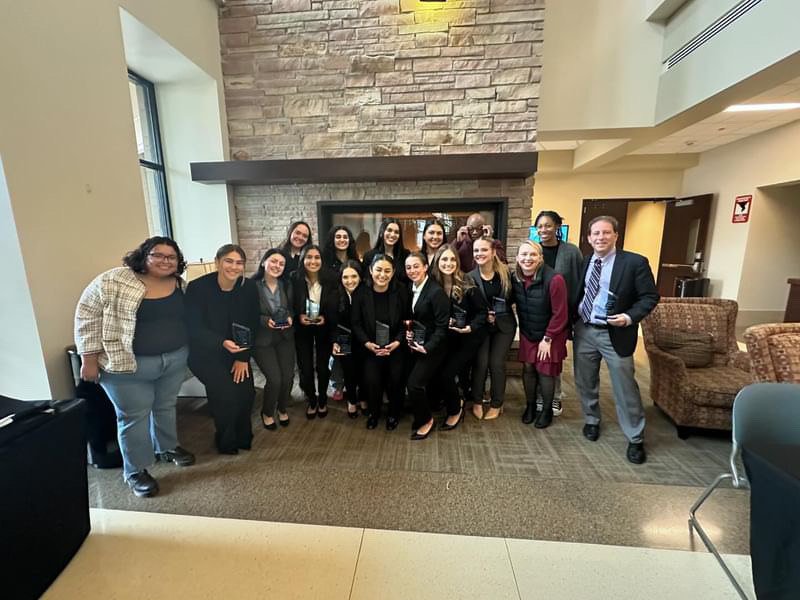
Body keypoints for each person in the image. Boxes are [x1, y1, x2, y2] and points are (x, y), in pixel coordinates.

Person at [75, 236, 195, 498]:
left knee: (165, 405)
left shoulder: (178, 284)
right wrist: (89, 358)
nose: (165, 261)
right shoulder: (114, 280)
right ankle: (136, 471)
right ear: (144, 256)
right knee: (133, 417)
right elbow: (87, 316)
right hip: (126, 366)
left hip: (173, 359)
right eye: (158, 255)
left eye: (171, 257)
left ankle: (168, 447)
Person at [572, 215, 659, 464]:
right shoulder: (586, 260)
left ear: (616, 235)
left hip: (616, 332)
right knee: (584, 380)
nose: (600, 237)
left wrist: (630, 317)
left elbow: (649, 297)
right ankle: (591, 419)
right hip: (585, 330)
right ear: (589, 238)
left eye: (606, 233)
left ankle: (635, 437)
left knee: (625, 386)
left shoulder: (634, 263)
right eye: (595, 234)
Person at [185, 244, 260, 455]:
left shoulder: (248, 287)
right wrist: (221, 343)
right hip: (205, 354)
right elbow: (193, 327)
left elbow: (252, 324)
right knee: (225, 395)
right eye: (229, 261)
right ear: (218, 262)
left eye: (239, 263)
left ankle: (244, 437)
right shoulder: (198, 288)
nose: (234, 267)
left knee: (246, 394)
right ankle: (226, 441)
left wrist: (243, 357)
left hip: (238, 353)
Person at [430, 244, 488, 431]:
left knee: (447, 374)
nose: (448, 263)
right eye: (444, 259)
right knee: (438, 372)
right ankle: (452, 399)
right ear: (437, 262)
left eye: (452, 259)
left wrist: (470, 328)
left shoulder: (467, 282)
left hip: (466, 339)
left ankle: (456, 410)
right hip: (444, 339)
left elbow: (482, 312)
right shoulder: (432, 283)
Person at [512, 240, 569, 429]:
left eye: (532, 255)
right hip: (529, 331)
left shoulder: (555, 279)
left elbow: (561, 314)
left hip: (551, 333)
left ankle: (546, 410)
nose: (527, 258)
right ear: (517, 258)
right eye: (523, 255)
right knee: (528, 368)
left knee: (545, 372)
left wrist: (548, 338)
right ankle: (530, 406)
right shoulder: (516, 278)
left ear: (540, 258)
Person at [534, 210, 584, 417]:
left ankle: (554, 397)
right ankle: (539, 396)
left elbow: (580, 282)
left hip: (560, 314)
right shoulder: (534, 251)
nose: (543, 230)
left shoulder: (571, 252)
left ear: (557, 227)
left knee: (553, 359)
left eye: (548, 225)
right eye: (540, 226)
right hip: (537, 315)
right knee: (537, 359)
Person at [351, 254, 409, 430]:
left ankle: (393, 414)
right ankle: (374, 414)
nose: (382, 274)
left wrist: (398, 342)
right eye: (378, 270)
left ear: (392, 273)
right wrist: (367, 343)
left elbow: (406, 320)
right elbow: (356, 322)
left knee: (396, 379)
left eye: (387, 271)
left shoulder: (400, 291)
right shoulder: (361, 292)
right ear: (370, 270)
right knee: (372, 380)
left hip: (395, 347)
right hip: (370, 347)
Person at [469, 236, 517, 421]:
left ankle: (497, 403)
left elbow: (513, 298)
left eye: (483, 250)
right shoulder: (470, 277)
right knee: (480, 363)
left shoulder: (506, 273)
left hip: (504, 325)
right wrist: (483, 315)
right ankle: (478, 401)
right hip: (482, 327)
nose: (479, 254)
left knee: (496, 363)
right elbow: (469, 305)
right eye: (476, 251)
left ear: (493, 252)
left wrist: (499, 312)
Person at [405, 251, 450, 440]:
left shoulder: (436, 292)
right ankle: (422, 413)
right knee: (418, 383)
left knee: (414, 384)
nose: (412, 270)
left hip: (435, 347)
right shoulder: (411, 287)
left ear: (425, 267)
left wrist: (428, 347)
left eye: (416, 266)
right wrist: (410, 332)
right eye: (408, 267)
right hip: (418, 343)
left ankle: (426, 421)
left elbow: (442, 326)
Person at [291, 244, 338, 419]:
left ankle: (323, 399)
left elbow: (335, 305)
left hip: (323, 327)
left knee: (323, 367)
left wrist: (326, 317)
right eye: (308, 257)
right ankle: (312, 400)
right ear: (303, 260)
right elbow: (289, 305)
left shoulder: (332, 278)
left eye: (317, 257)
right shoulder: (294, 278)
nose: (313, 261)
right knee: (306, 367)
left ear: (322, 260)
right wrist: (298, 317)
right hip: (302, 329)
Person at [251, 248, 294, 431]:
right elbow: (246, 313)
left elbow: (292, 307)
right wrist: (263, 320)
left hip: (284, 336)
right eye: (274, 261)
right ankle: (267, 412)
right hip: (263, 340)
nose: (278, 266)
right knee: (275, 379)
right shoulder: (251, 286)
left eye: (281, 263)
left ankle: (282, 408)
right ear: (263, 262)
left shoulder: (287, 285)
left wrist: (290, 317)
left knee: (288, 378)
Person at [331, 259, 364, 418]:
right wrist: (335, 341)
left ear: (360, 277)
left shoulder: (367, 293)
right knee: (349, 371)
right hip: (343, 338)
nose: (350, 281)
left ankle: (363, 397)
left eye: (354, 276)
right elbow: (331, 323)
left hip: (363, 338)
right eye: (345, 277)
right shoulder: (335, 296)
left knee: (363, 370)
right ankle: (351, 400)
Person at [362, 218, 409, 285]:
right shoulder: (369, 256)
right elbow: (366, 281)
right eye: (389, 230)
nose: (392, 235)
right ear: (381, 232)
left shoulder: (405, 255)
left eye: (396, 232)